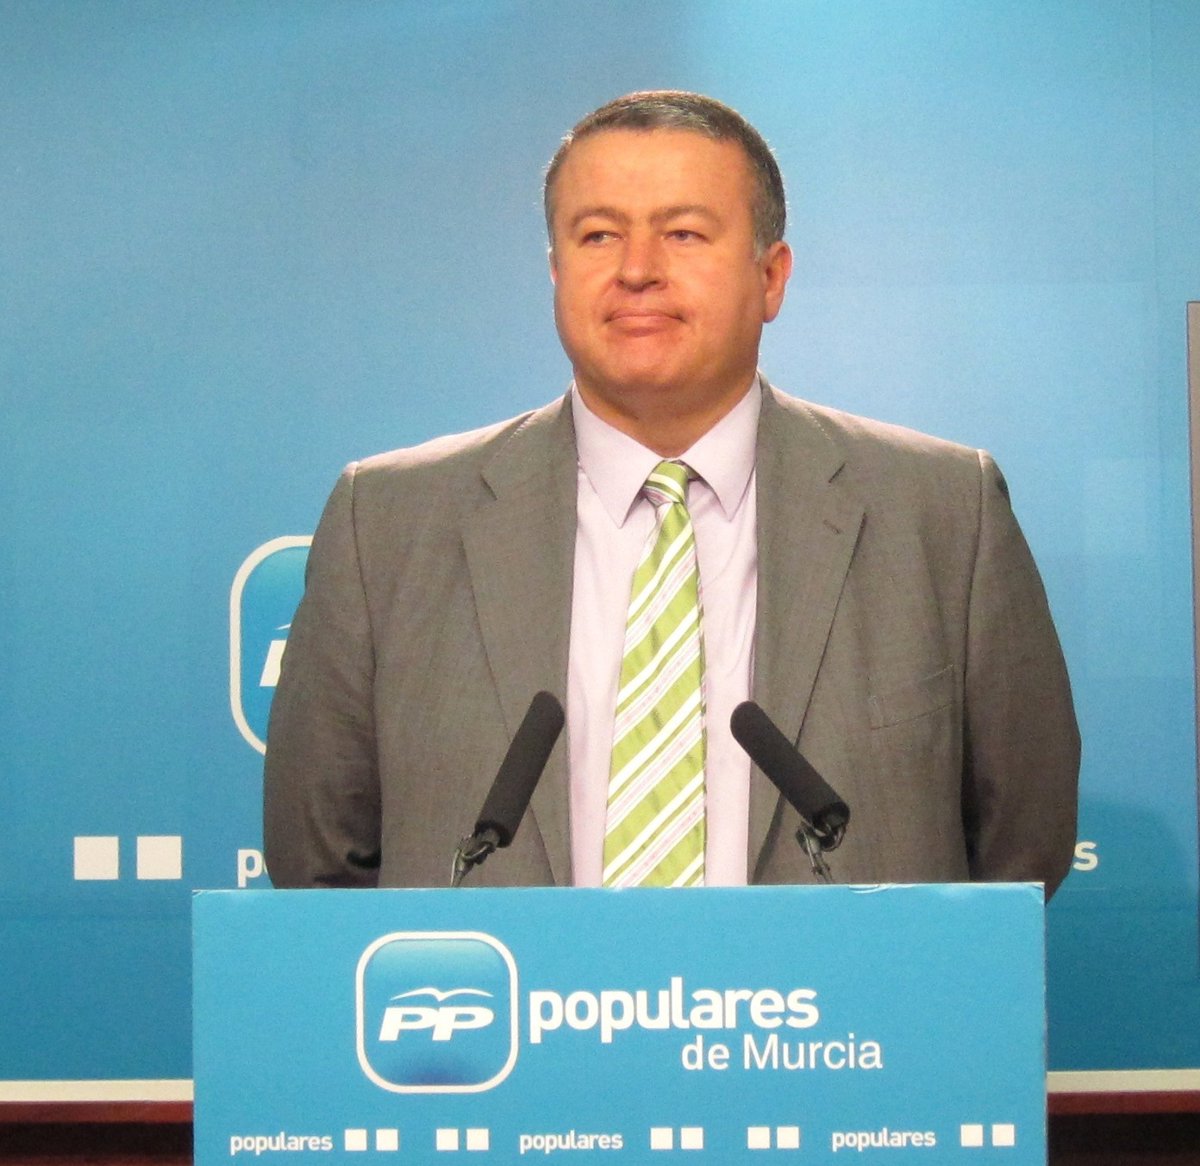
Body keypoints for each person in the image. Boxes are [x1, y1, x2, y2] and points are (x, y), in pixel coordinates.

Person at [263, 90, 1079, 895]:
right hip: (508, 989)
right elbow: (319, 866)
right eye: (598, 235)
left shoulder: (945, 513)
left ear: (771, 276)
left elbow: (1020, 856)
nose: (637, 271)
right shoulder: (388, 522)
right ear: (555, 271)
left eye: (683, 233)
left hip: (831, 993)